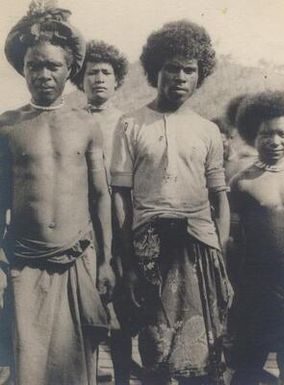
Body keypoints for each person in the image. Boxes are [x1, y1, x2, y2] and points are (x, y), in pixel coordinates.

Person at [111, 20, 233, 385]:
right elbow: (120, 196)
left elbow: (219, 198)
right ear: (154, 70)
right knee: (156, 351)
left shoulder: (208, 130)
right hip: (151, 248)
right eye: (171, 68)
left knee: (203, 356)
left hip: (199, 248)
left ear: (200, 75)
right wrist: (128, 261)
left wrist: (219, 256)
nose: (180, 77)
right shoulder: (131, 125)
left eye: (189, 69)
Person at [0, 2, 115, 385]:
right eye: (35, 65)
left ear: (70, 71)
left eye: (53, 66)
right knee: (28, 365)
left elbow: (100, 194)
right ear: (23, 69)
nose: (44, 74)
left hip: (77, 257)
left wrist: (106, 261)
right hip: (25, 259)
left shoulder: (86, 125)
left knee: (75, 365)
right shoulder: (8, 126)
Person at [72, 40, 133, 385]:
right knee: (85, 309)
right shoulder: (71, 119)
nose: (98, 79)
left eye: (105, 72)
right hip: (81, 222)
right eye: (91, 72)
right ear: (80, 80)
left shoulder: (128, 122)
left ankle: (123, 377)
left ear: (117, 79)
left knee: (122, 310)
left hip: (121, 220)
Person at [229, 91, 284, 385]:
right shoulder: (242, 183)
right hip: (257, 286)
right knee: (247, 364)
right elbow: (232, 239)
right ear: (252, 137)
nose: (275, 141)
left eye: (282, 133)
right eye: (266, 134)